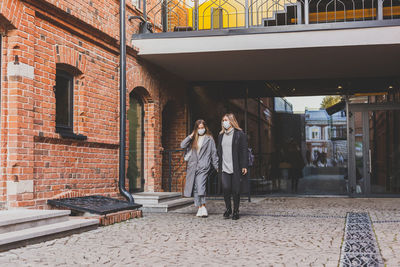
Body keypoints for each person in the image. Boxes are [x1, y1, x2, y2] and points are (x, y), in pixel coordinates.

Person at [181, 119, 218, 218]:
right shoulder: (193, 139)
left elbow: (213, 153)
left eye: (202, 128)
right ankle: (200, 208)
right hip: (193, 166)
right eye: (199, 128)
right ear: (196, 129)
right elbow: (182, 145)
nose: (201, 130)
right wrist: (191, 135)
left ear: (205, 128)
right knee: (196, 187)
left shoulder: (209, 139)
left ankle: (204, 206)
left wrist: (217, 166)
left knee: (200, 185)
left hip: (203, 166)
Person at [217, 113, 248, 220]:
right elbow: (219, 151)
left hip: (236, 166)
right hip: (224, 166)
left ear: (231, 121)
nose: (224, 122)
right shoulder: (220, 136)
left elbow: (244, 150)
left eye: (226, 120)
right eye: (223, 120)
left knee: (236, 190)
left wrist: (244, 165)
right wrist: (218, 165)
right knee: (226, 188)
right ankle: (228, 208)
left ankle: (236, 211)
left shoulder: (240, 134)